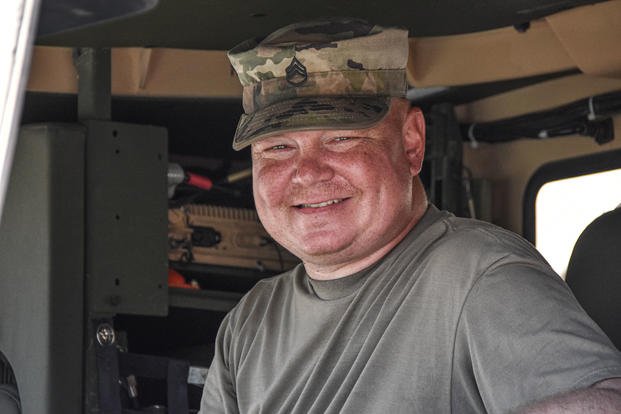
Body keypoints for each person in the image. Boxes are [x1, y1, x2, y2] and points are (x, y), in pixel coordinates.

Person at [200, 18, 621, 413]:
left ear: (411, 142)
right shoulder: (252, 320)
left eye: (342, 138)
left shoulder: (479, 276)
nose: (307, 172)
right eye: (277, 148)